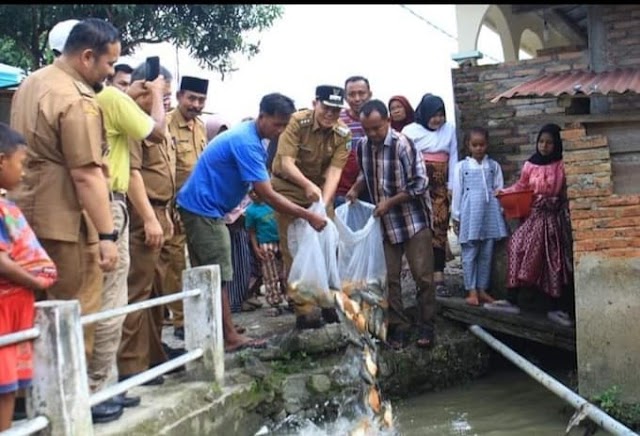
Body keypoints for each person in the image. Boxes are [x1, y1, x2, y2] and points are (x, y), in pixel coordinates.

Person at [10, 17, 119, 386]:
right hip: (67, 221)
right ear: (87, 57)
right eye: (109, 64)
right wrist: (107, 235)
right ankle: (72, 396)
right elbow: (86, 174)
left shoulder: (32, 81)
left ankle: (33, 397)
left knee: (36, 311)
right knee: (73, 310)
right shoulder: (76, 99)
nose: (112, 71)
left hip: (26, 216)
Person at [176, 93, 327, 352]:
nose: (280, 130)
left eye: (284, 125)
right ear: (262, 116)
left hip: (206, 208)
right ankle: (230, 338)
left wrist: (253, 190)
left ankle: (222, 329)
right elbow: (268, 194)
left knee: (212, 272)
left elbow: (253, 185)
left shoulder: (254, 137)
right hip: (203, 210)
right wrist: (308, 215)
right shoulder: (246, 141)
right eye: (277, 124)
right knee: (219, 273)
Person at [346, 99, 435, 349]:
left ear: (387, 121)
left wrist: (391, 202)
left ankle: (427, 325)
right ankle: (399, 327)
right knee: (389, 278)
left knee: (423, 277)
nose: (373, 134)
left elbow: (420, 183)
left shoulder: (403, 144)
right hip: (384, 222)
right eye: (368, 129)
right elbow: (366, 173)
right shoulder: (363, 146)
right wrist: (355, 188)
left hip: (413, 219)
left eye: (377, 128)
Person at [271, 85, 351, 329]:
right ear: (315, 103)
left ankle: (327, 301)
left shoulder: (343, 133)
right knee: (294, 248)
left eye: (336, 110)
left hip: (318, 193)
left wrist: (323, 205)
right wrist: (306, 185)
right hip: (289, 188)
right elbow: (286, 163)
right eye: (326, 108)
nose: (330, 114)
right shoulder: (297, 122)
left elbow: (335, 173)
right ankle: (304, 309)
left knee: (328, 243)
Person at [117, 63, 175, 386]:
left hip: (161, 213)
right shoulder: (135, 123)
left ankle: (153, 356)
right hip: (144, 215)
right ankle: (131, 366)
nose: (163, 101)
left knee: (156, 291)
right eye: (157, 93)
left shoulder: (155, 122)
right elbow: (134, 174)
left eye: (165, 95)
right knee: (137, 292)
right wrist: (151, 218)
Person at [0, 123, 57, 431]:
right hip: (4, 309)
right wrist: (34, 281)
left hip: (14, 309)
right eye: (20, 164)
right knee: (4, 388)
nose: (23, 173)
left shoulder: (6, 207)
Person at [497, 123, 575, 326]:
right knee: (516, 246)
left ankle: (556, 308)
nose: (544, 146)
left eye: (549, 142)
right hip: (533, 218)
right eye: (541, 141)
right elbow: (521, 186)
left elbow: (566, 191)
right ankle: (511, 299)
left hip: (552, 221)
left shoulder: (561, 165)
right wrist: (504, 193)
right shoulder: (530, 165)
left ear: (556, 144)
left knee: (553, 262)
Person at [163, 76, 209, 341]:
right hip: (174, 207)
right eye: (191, 98)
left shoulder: (200, 126)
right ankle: (181, 320)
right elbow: (166, 170)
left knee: (200, 261)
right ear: (180, 96)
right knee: (176, 264)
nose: (196, 104)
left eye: (201, 100)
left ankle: (201, 315)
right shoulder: (166, 124)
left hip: (198, 206)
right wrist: (173, 207)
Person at [402, 93, 459, 298]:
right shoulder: (410, 131)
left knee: (440, 230)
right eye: (433, 115)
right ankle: (421, 277)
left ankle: (438, 276)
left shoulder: (450, 130)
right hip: (418, 188)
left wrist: (451, 186)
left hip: (440, 188)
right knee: (419, 232)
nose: (437, 119)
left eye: (441, 115)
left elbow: (453, 157)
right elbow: (405, 159)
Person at [451, 126, 508, 307]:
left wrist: (499, 211)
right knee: (470, 252)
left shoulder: (493, 166)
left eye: (482, 145)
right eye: (474, 145)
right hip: (470, 215)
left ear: (487, 145)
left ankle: (483, 289)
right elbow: (457, 193)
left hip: (489, 214)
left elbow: (499, 189)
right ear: (468, 146)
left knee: (486, 253)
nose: (478, 148)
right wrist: (456, 215)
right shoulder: (462, 167)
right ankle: (472, 290)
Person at [245, 189, 287, 316]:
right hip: (265, 243)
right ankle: (275, 303)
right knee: (270, 275)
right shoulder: (251, 211)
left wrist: (283, 240)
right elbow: (251, 231)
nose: (254, 194)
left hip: (280, 240)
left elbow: (282, 221)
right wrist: (256, 247)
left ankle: (291, 299)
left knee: (286, 273)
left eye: (255, 191)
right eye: (250, 193)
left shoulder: (273, 203)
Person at [334, 76, 372, 207]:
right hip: (342, 189)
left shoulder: (378, 119)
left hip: (371, 188)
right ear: (345, 98)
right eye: (351, 94)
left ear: (370, 94)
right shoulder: (337, 120)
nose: (357, 99)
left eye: (361, 93)